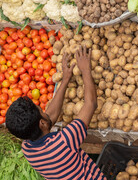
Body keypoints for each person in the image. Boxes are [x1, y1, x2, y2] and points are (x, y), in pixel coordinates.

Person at [5, 46, 107, 180]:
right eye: (41, 110)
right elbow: (91, 104)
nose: (44, 111)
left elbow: (50, 117)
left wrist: (65, 80)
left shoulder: (27, 149)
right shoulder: (64, 141)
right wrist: (85, 70)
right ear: (41, 123)